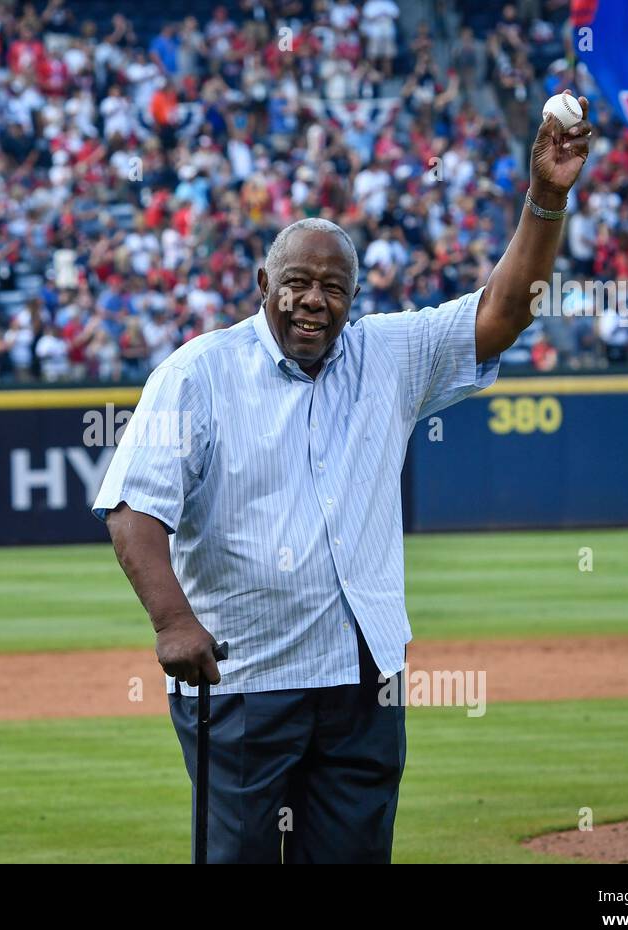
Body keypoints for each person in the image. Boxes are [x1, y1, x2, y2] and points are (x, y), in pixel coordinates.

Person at [95, 97, 595, 863]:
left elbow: (505, 310)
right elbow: (135, 509)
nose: (313, 300)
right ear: (263, 281)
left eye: (333, 287)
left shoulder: (385, 355)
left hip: (363, 681)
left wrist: (547, 198)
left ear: (354, 298)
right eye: (297, 281)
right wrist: (172, 623)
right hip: (242, 678)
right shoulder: (198, 373)